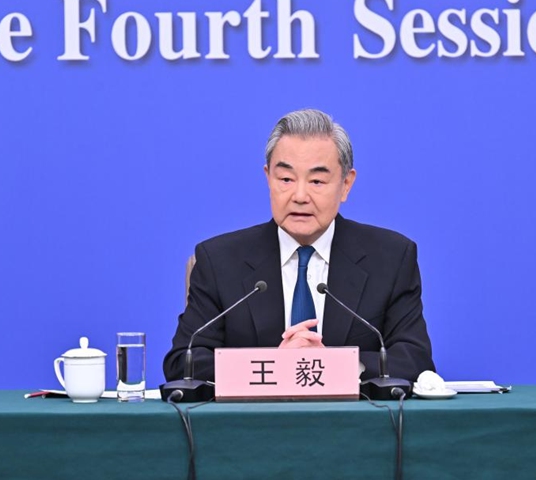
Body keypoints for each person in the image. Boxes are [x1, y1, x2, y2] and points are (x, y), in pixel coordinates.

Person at [163, 109, 435, 383]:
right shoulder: (219, 261)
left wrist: (332, 366)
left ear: (345, 185)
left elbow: (415, 359)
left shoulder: (390, 257)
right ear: (268, 178)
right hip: (252, 423)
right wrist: (275, 365)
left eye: (317, 181)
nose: (300, 196)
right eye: (286, 179)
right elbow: (183, 362)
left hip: (353, 423)